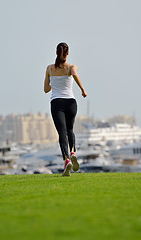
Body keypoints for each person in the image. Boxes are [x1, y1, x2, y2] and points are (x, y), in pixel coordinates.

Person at [44, 42, 87, 176]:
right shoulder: (71, 67)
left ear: (56, 52)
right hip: (71, 103)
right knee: (70, 130)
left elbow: (46, 89)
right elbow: (74, 75)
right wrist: (82, 89)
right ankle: (73, 151)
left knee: (62, 132)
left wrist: (54, 84)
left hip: (57, 103)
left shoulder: (50, 69)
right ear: (67, 53)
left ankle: (67, 160)